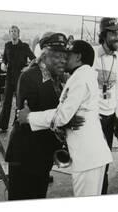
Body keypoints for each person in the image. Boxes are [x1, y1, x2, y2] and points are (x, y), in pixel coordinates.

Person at [18, 40, 113, 197]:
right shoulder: (83, 75)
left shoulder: (80, 78)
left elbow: (62, 116)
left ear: (78, 57)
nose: (64, 59)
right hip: (91, 156)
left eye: (67, 55)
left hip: (87, 158)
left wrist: (29, 117)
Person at [5, 32, 73, 200]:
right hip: (26, 156)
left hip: (42, 155)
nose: (62, 61)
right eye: (57, 56)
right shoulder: (29, 76)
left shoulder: (57, 78)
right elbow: (28, 117)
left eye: (65, 57)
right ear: (44, 56)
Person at [93, 17, 118, 194]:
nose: (117, 36)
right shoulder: (92, 55)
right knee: (94, 164)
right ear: (104, 35)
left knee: (105, 164)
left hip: (110, 118)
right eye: (113, 33)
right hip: (94, 119)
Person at [0, 25, 35, 132]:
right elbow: (4, 59)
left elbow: (34, 59)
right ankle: (2, 126)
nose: (13, 33)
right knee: (6, 102)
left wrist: (27, 68)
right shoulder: (7, 45)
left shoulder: (24, 46)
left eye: (15, 31)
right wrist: (3, 64)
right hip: (9, 77)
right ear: (9, 33)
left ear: (18, 33)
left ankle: (18, 125)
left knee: (19, 102)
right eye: (11, 31)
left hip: (20, 77)